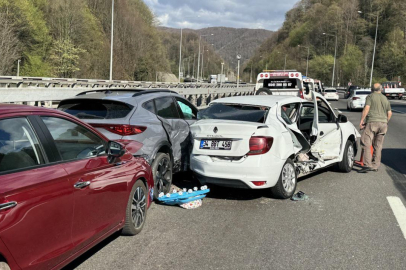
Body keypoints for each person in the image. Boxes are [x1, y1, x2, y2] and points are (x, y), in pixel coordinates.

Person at [358, 83, 392, 173]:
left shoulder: (370, 96)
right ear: (381, 89)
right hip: (383, 124)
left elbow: (367, 108)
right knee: (378, 146)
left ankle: (367, 165)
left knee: (365, 142)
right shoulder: (385, 98)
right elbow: (389, 113)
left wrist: (362, 121)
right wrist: (385, 121)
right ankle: (375, 166)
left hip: (372, 122)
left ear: (372, 89)